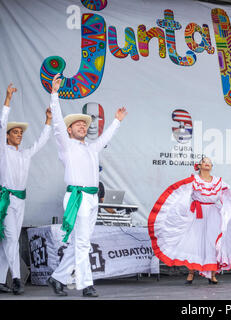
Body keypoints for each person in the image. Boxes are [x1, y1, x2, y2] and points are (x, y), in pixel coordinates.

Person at [46, 74, 127, 297]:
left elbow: (107, 135)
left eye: (84, 124)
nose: (82, 126)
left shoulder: (91, 147)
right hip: (77, 197)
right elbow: (57, 124)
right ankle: (86, 284)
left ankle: (57, 278)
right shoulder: (66, 146)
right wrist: (55, 94)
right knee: (82, 243)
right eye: (77, 124)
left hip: (92, 198)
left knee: (80, 243)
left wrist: (117, 121)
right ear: (69, 130)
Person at [148, 157, 231, 285]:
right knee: (194, 242)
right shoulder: (193, 180)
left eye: (209, 162)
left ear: (211, 166)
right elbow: (181, 194)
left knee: (213, 243)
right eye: (204, 161)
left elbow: (230, 198)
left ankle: (212, 274)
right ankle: (191, 274)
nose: (207, 163)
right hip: (197, 214)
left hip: (213, 214)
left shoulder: (219, 182)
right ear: (199, 165)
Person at [0, 83, 52, 295]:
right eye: (15, 132)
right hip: (5, 199)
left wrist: (48, 122)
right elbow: (1, 124)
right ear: (7, 136)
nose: (19, 134)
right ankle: (17, 279)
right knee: (12, 238)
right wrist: (8, 100)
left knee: (7, 241)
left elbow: (41, 141)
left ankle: (1, 280)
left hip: (20, 199)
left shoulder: (25, 154)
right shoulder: (3, 150)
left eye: (21, 132)